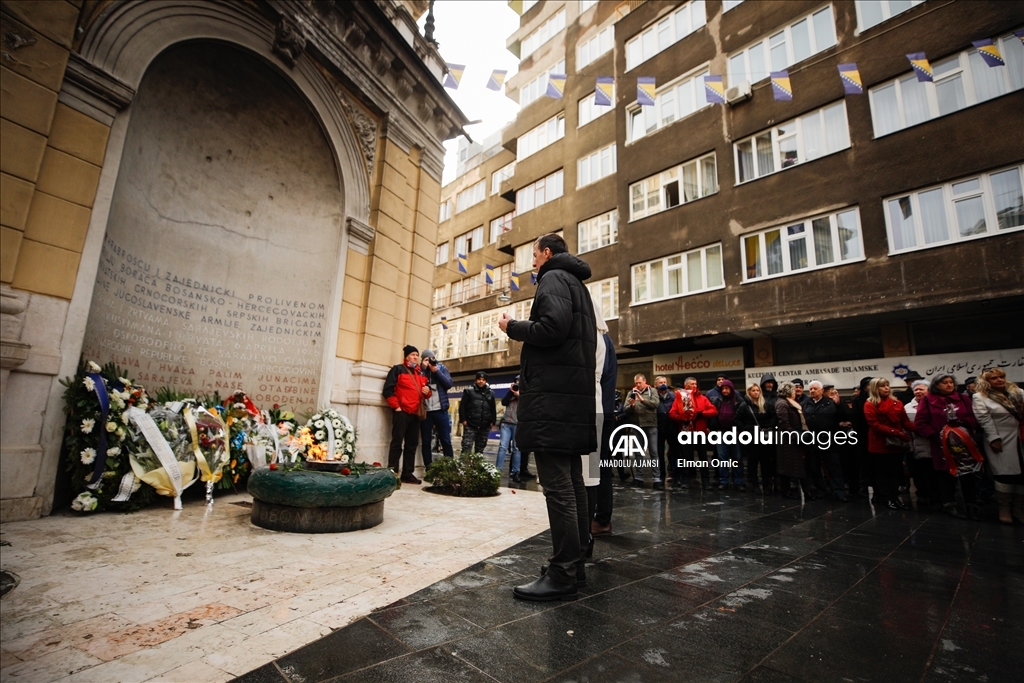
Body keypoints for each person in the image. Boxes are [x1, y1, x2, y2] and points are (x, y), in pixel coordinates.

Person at [499, 233, 596, 601]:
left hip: (555, 403)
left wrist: (513, 328)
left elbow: (551, 329)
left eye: (534, 255)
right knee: (572, 485)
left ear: (547, 253)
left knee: (558, 489)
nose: (532, 263)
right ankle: (575, 565)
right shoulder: (576, 284)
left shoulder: (553, 278)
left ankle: (563, 573)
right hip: (569, 400)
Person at [914, 373, 980, 519]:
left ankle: (971, 505)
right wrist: (936, 436)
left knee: (967, 475)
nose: (949, 385)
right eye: (945, 382)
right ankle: (949, 504)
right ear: (936, 385)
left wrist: (962, 426)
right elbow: (921, 422)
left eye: (951, 382)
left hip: (963, 443)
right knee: (945, 475)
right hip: (941, 443)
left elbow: (973, 417)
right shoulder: (927, 400)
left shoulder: (963, 398)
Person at [973, 369, 1024, 524]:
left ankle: (1018, 508)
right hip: (1000, 438)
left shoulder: (1018, 392)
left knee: (1022, 475)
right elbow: (984, 420)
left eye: (1001, 377)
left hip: (1021, 437)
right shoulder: (980, 397)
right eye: (994, 378)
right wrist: (993, 438)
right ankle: (1004, 509)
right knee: (1004, 473)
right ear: (986, 381)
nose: (999, 380)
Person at [863, 378, 915, 510]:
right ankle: (886, 499)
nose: (886, 388)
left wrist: (919, 428)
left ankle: (895, 498)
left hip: (896, 444)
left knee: (896, 473)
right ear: (876, 388)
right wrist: (896, 432)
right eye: (882, 386)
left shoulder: (897, 402)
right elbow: (874, 425)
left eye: (887, 385)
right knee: (883, 473)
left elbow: (905, 421)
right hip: (880, 443)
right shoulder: (870, 404)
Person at [382, 344, 429, 484]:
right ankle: (393, 473)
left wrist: (428, 392)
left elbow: (425, 392)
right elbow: (388, 390)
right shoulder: (398, 369)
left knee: (412, 444)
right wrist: (396, 407)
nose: (415, 357)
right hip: (402, 412)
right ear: (406, 356)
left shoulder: (421, 373)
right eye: (412, 355)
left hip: (415, 414)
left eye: (417, 355)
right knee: (397, 443)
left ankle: (407, 473)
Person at [669, 377, 718, 489]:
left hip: (700, 432)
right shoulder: (679, 399)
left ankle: (706, 481)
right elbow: (672, 413)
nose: (695, 385)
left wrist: (702, 414)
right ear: (686, 386)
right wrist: (680, 418)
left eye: (696, 383)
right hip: (686, 432)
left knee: (703, 458)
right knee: (686, 457)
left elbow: (714, 410)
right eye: (692, 384)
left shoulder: (703, 398)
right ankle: (685, 480)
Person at [804, 380, 846, 501]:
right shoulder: (806, 404)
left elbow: (841, 416)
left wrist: (840, 404)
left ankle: (839, 492)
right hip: (812, 441)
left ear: (822, 390)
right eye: (811, 389)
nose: (812, 391)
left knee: (834, 467)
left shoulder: (831, 403)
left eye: (815, 388)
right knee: (814, 467)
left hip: (829, 440)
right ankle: (821, 491)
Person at [776, 382, 814, 500]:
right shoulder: (782, 403)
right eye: (793, 390)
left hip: (794, 437)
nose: (795, 392)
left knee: (796, 465)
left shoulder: (789, 402)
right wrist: (794, 435)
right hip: (788, 440)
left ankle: (805, 491)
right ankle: (787, 491)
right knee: (788, 465)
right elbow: (784, 422)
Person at [624, 373, 661, 489]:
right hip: (637, 425)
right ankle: (639, 478)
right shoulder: (631, 393)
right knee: (638, 453)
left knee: (654, 452)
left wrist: (642, 400)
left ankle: (656, 479)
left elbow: (656, 404)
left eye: (640, 382)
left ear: (645, 381)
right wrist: (632, 406)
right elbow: (625, 408)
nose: (638, 385)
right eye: (636, 383)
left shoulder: (652, 391)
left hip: (650, 425)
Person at [419, 350, 453, 469]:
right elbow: (417, 385)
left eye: (432, 358)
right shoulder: (419, 370)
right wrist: (423, 369)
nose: (430, 361)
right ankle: (429, 468)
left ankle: (449, 468)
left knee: (446, 441)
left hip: (441, 410)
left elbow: (448, 384)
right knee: (426, 442)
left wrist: (436, 371)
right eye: (427, 359)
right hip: (426, 412)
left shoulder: (441, 368)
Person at [903, 379, 934, 507]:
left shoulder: (934, 404)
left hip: (933, 444)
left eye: (921, 389)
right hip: (916, 445)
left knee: (933, 473)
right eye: (916, 389)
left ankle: (935, 497)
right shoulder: (907, 407)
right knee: (919, 474)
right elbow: (906, 427)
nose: (918, 391)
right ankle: (922, 495)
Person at [711, 379, 746, 490]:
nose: (725, 391)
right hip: (721, 433)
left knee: (737, 457)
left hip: (735, 433)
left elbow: (741, 417)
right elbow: (714, 416)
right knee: (722, 458)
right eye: (723, 389)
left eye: (727, 388)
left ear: (731, 389)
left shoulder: (739, 401)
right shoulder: (717, 401)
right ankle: (723, 481)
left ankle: (738, 481)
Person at [742, 383, 775, 494]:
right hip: (751, 437)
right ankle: (753, 484)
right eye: (753, 390)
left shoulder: (766, 404)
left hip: (764, 437)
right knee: (752, 462)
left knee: (766, 462)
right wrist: (746, 430)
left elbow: (773, 417)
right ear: (749, 392)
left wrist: (768, 426)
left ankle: (767, 485)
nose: (756, 392)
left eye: (758, 390)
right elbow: (738, 420)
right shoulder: (744, 405)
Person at [459, 371, 496, 455]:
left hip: (485, 425)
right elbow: (462, 406)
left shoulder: (491, 393)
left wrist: (492, 421)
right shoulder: (469, 391)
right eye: (479, 379)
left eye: (483, 379)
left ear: (486, 381)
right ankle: (464, 466)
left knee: (480, 449)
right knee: (466, 447)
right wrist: (463, 420)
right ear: (476, 380)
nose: (481, 381)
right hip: (470, 424)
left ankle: (477, 466)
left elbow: (493, 408)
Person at [495, 375, 524, 481]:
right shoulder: (510, 393)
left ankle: (515, 472)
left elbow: (527, 404)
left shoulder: (525, 393)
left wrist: (518, 395)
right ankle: (498, 471)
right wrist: (511, 391)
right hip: (506, 423)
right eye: (516, 381)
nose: (517, 384)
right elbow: (503, 402)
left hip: (518, 424)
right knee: (502, 447)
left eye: (519, 382)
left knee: (517, 449)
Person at [654, 376, 677, 485]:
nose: (663, 384)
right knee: (659, 454)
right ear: (656, 385)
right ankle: (661, 476)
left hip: (672, 427)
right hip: (659, 428)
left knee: (674, 453)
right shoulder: (653, 396)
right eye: (660, 382)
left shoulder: (673, 396)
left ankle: (674, 474)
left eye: (664, 382)